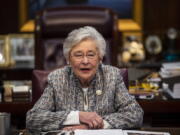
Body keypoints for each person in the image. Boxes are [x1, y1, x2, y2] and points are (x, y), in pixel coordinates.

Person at [26, 26, 143, 133]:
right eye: (78, 55)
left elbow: (135, 113)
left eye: (91, 55)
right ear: (68, 59)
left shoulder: (112, 76)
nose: (85, 61)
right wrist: (77, 116)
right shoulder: (57, 79)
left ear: (100, 58)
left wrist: (97, 125)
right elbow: (33, 118)